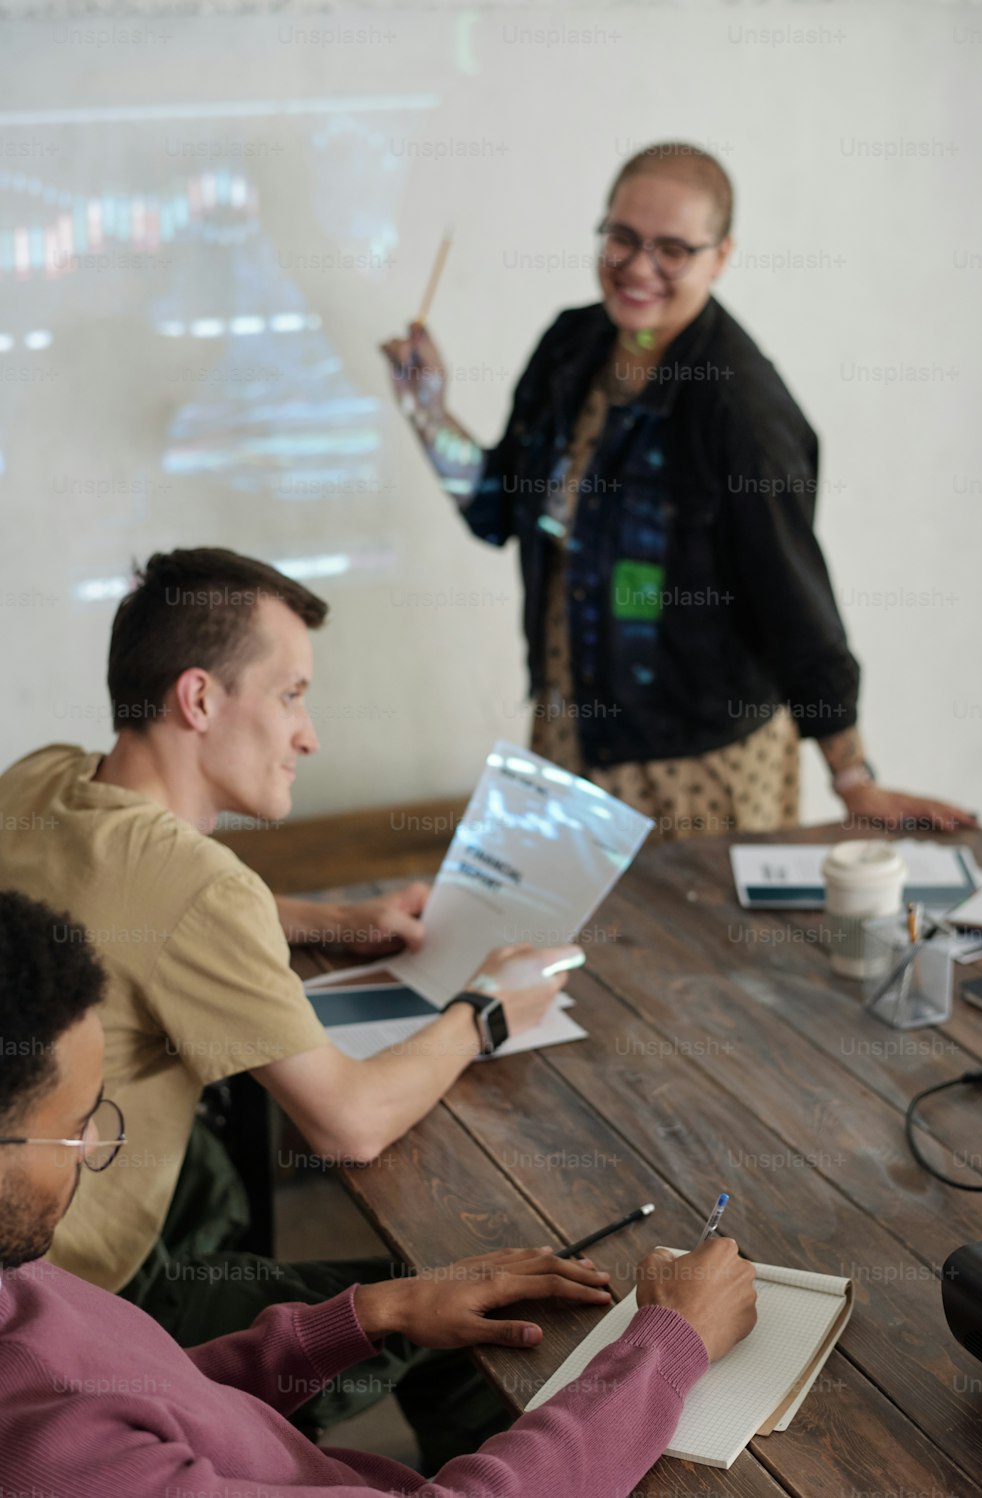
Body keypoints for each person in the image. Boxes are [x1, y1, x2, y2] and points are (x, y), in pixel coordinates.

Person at [0, 545, 578, 1461]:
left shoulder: (42, 782)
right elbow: (350, 1124)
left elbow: (140, 906)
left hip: (31, 1255)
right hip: (91, 1303)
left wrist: (331, 924)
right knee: (465, 1312)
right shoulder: (200, 887)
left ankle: (264, 1415)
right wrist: (486, 1009)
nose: (308, 734)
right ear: (198, 699)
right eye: (291, 694)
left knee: (228, 1164)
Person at [0, 887, 758, 1498]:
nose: (95, 1144)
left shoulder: (16, 1280)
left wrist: (373, 1314)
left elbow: (148, 1394)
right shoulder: (63, 1465)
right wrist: (668, 1345)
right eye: (72, 1128)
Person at [381, 142, 976, 841]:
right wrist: (428, 414)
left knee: (690, 952)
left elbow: (792, 601)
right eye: (623, 238)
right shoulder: (571, 348)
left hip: (696, 765)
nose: (638, 267)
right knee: (560, 945)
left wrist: (853, 776)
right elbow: (496, 510)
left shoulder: (740, 410)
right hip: (571, 733)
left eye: (673, 250)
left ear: (720, 257)